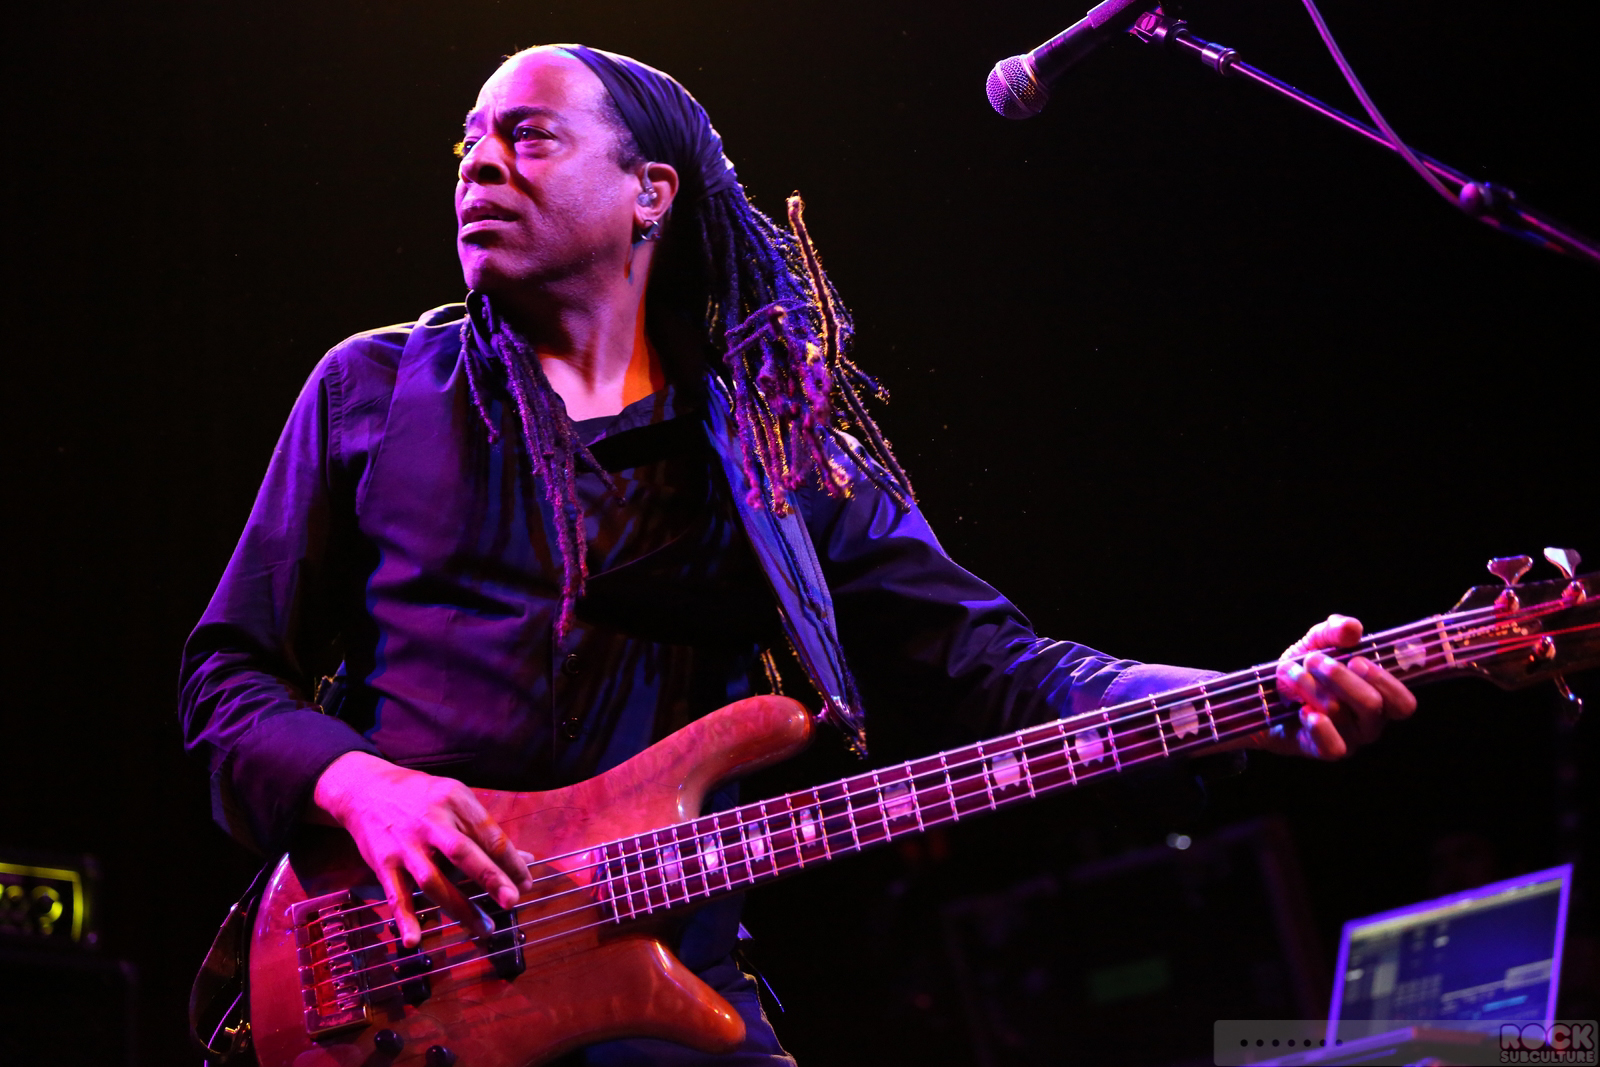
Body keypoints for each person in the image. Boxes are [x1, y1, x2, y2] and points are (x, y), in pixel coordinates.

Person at [179, 44, 1417, 1065]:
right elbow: (226, 678)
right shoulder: (373, 389)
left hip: (666, 980)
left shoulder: (775, 447)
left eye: (529, 135)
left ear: (649, 192)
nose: (480, 164)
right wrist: (360, 784)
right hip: (392, 980)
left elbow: (995, 662)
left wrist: (1239, 698)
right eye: (469, 141)